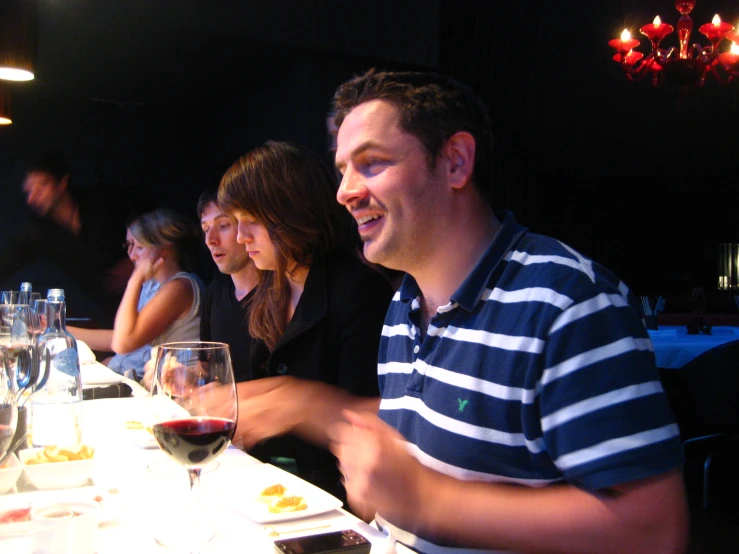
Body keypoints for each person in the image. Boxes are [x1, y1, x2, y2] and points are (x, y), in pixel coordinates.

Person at [233, 70, 689, 554]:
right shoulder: (402, 305)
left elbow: (654, 531)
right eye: (343, 169)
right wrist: (307, 410)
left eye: (371, 163)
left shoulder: (568, 302)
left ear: (454, 162)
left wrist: (430, 502)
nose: (344, 191)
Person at [217, 140, 395, 503]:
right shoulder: (273, 284)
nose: (240, 237)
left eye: (251, 222)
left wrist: (287, 402)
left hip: (333, 500)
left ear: (292, 213)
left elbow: (371, 421)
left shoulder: (358, 291)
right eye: (236, 223)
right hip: (273, 489)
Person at [0, 152, 136, 326]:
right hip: (104, 317)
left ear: (62, 183)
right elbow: (7, 261)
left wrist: (135, 264)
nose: (32, 198)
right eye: (29, 192)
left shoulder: (103, 203)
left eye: (41, 187)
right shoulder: (38, 230)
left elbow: (155, 226)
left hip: (149, 300)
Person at [72, 208, 204, 381]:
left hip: (179, 388)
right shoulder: (154, 285)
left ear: (163, 248)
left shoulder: (180, 288)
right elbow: (120, 335)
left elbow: (122, 343)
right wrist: (62, 331)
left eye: (139, 247)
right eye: (129, 245)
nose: (131, 255)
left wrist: (135, 280)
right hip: (159, 382)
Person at [196, 190, 258, 382]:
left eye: (223, 226)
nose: (210, 240)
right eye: (206, 229)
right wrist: (183, 375)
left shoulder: (280, 294)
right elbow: (205, 366)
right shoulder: (215, 292)